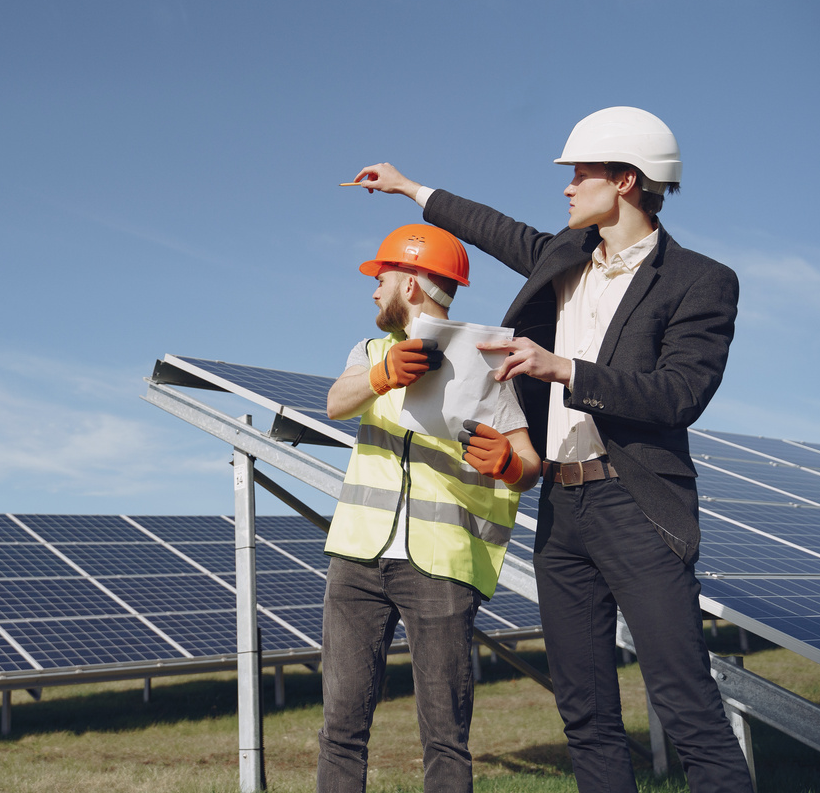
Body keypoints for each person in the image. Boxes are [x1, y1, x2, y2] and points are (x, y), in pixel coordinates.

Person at [349, 106, 754, 792]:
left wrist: (562, 368)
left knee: (687, 706)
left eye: (580, 175)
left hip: (638, 507)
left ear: (626, 180)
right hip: (562, 515)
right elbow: (491, 227)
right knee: (586, 715)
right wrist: (410, 187)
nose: (567, 188)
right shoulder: (562, 258)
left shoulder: (700, 280)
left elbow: (679, 394)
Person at [318, 223, 541, 793]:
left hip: (442, 566)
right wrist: (382, 375)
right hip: (357, 562)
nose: (373, 290)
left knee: (445, 736)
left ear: (412, 285)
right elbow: (336, 403)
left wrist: (511, 466)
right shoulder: (369, 352)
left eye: (382, 278)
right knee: (341, 726)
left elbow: (528, 461)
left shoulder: (487, 363)